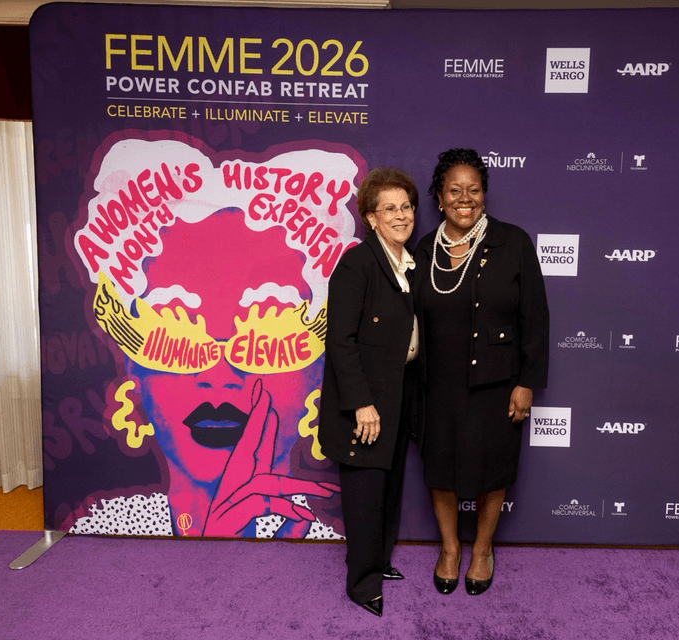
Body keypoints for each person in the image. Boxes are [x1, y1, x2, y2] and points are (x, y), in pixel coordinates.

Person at [66, 136, 364, 540]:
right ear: (135, 383)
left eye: (270, 332)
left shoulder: (330, 541)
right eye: (174, 330)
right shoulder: (100, 530)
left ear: (316, 378)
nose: (221, 376)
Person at [414, 148, 549, 596]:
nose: (464, 198)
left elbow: (535, 318)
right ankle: (450, 549)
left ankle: (482, 550)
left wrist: (527, 382)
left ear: (484, 196)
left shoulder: (513, 243)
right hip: (438, 384)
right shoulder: (426, 248)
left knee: (493, 470)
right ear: (439, 197)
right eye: (455, 190)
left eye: (473, 189)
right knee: (441, 469)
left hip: (497, 384)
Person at [319, 167, 421, 617]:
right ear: (371, 218)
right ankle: (362, 584)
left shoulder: (407, 262)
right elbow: (339, 339)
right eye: (389, 209)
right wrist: (362, 403)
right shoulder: (357, 262)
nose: (401, 216)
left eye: (406, 207)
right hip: (368, 404)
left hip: (399, 397)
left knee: (389, 485)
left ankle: (378, 562)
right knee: (363, 493)